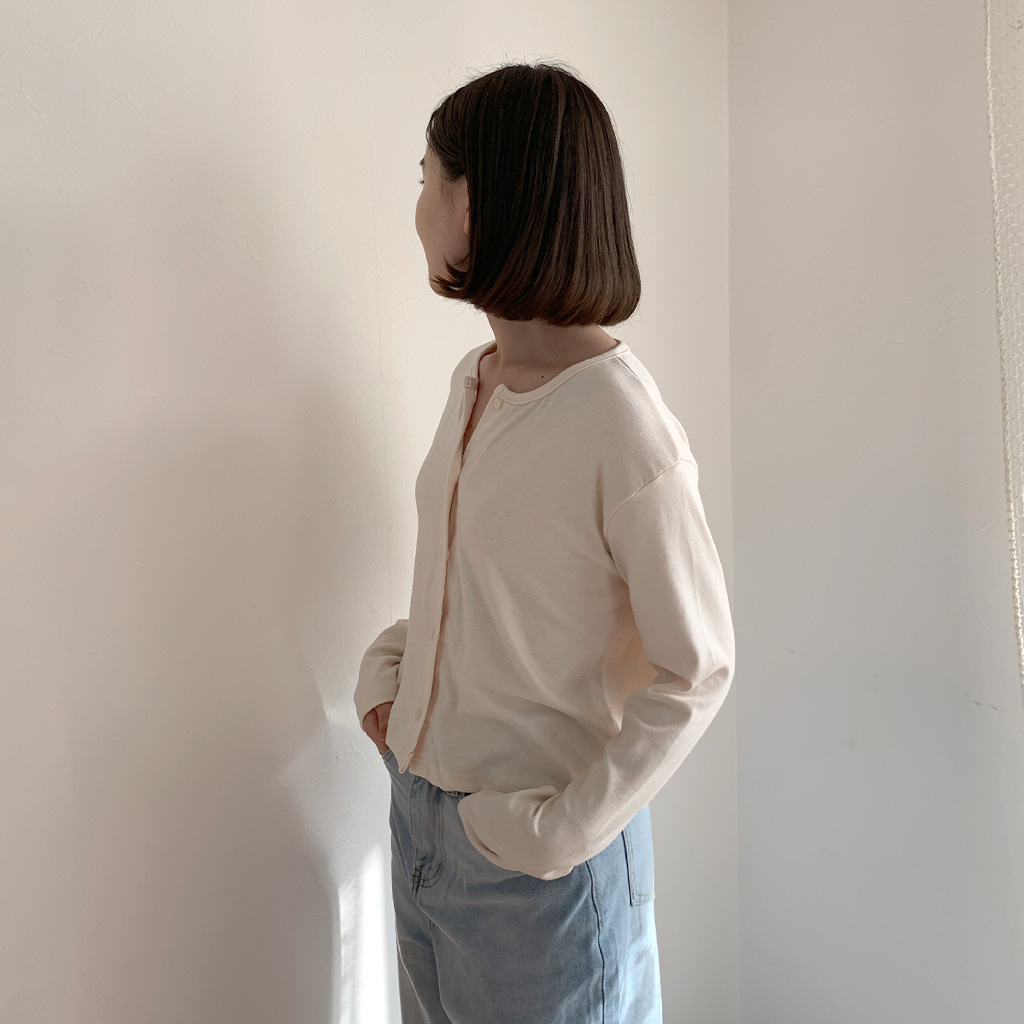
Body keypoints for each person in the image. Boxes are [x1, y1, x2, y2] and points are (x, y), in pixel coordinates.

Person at [353, 60, 735, 1024]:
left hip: (536, 883)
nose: (418, 208)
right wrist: (392, 676)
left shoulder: (623, 428)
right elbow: (487, 586)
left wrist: (553, 836)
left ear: (478, 202)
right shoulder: (474, 380)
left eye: (428, 178)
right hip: (423, 827)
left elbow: (698, 669)